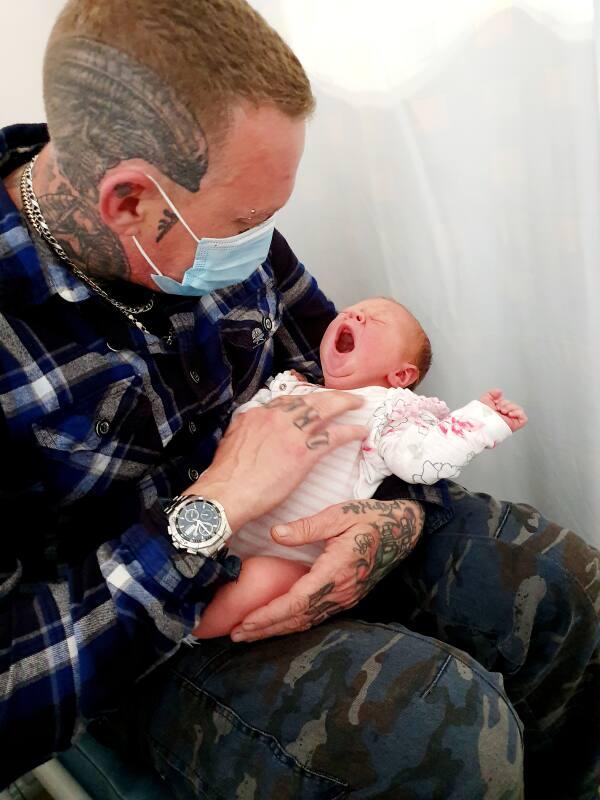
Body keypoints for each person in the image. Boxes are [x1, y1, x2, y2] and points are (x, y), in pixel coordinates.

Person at [0, 1, 597, 798]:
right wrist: (206, 513)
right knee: (435, 728)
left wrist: (394, 518)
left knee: (562, 587)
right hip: (148, 639)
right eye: (248, 222)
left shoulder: (210, 233)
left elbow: (355, 394)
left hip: (327, 512)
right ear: (128, 202)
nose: (261, 243)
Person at [194, 297, 528, 639]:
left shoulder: (389, 410)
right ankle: (170, 604)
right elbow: (240, 429)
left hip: (289, 553)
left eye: (375, 321)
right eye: (352, 311)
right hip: (224, 518)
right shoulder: (292, 386)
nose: (355, 314)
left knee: (262, 580)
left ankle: (190, 635)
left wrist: (481, 419)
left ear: (400, 375)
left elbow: (423, 462)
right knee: (196, 563)